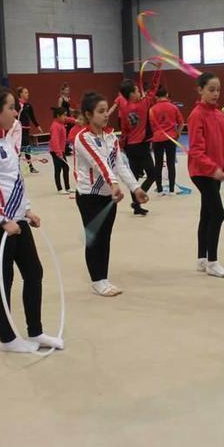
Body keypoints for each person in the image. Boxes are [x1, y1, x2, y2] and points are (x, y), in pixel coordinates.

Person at [0, 86, 63, 353]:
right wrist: (0, 219)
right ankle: (8, 338)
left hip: (17, 220)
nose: (15, 111)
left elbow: (13, 179)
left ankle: (36, 331)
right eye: (10, 107)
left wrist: (26, 210)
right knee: (4, 279)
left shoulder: (5, 139)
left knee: (34, 272)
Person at [74, 91, 149, 295]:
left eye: (107, 110)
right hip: (89, 196)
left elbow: (120, 165)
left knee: (105, 238)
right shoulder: (82, 138)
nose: (106, 114)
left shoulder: (110, 137)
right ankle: (97, 280)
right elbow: (99, 163)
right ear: (88, 115)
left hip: (108, 196)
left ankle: (103, 278)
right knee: (95, 239)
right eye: (100, 111)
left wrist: (135, 188)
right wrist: (113, 183)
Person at [187, 72, 224, 278]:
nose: (216, 93)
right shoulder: (196, 115)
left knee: (207, 213)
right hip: (201, 173)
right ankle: (213, 262)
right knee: (218, 213)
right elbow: (196, 151)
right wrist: (212, 168)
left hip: (215, 173)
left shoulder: (221, 116)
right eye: (211, 89)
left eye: (218, 89)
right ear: (200, 90)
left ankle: (201, 258)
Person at [119, 75, 160, 216]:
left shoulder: (124, 109)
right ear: (131, 94)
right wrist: (158, 70)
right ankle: (137, 200)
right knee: (152, 175)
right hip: (141, 146)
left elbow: (124, 129)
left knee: (134, 178)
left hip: (130, 146)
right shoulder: (143, 105)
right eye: (137, 91)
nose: (140, 93)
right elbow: (153, 89)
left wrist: (122, 145)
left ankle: (136, 206)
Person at [149, 86, 184, 195]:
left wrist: (151, 140)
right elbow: (181, 123)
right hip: (171, 138)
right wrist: (177, 133)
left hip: (157, 138)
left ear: (156, 97)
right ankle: (172, 189)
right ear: (167, 95)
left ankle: (159, 189)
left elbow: (150, 126)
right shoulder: (173, 107)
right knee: (171, 163)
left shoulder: (152, 109)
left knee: (158, 164)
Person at [15, 87, 41, 174]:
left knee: (27, 148)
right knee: (18, 149)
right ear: (20, 94)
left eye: (28, 92)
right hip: (18, 130)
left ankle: (31, 167)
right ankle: (16, 168)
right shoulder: (17, 105)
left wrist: (37, 126)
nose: (27, 94)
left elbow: (32, 117)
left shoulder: (28, 105)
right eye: (25, 93)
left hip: (26, 130)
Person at [48, 107, 72, 193]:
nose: (65, 117)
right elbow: (55, 140)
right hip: (55, 151)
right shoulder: (55, 126)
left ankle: (67, 187)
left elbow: (68, 119)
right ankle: (59, 189)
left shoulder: (61, 122)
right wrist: (58, 153)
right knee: (58, 169)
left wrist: (75, 121)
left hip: (61, 150)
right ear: (58, 116)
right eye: (64, 115)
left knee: (66, 168)